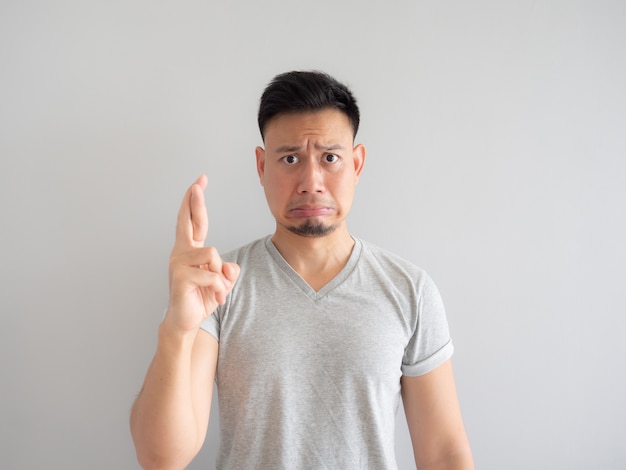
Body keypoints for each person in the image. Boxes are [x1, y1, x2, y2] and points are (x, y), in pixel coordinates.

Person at [130, 71, 474, 469]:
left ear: (356, 163)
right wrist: (176, 326)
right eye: (290, 158)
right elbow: (160, 458)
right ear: (261, 166)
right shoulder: (218, 287)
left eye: (330, 157)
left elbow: (445, 454)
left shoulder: (410, 290)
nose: (311, 182)